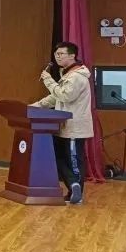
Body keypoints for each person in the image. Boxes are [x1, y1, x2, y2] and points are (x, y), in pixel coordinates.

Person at [33, 41, 93, 204]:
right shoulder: (67, 74)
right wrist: (35, 106)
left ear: (72, 55)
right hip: (63, 125)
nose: (57, 57)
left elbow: (65, 96)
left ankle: (76, 192)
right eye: (56, 54)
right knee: (59, 157)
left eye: (61, 54)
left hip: (75, 127)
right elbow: (56, 96)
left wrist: (48, 80)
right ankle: (73, 186)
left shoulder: (77, 76)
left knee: (73, 161)